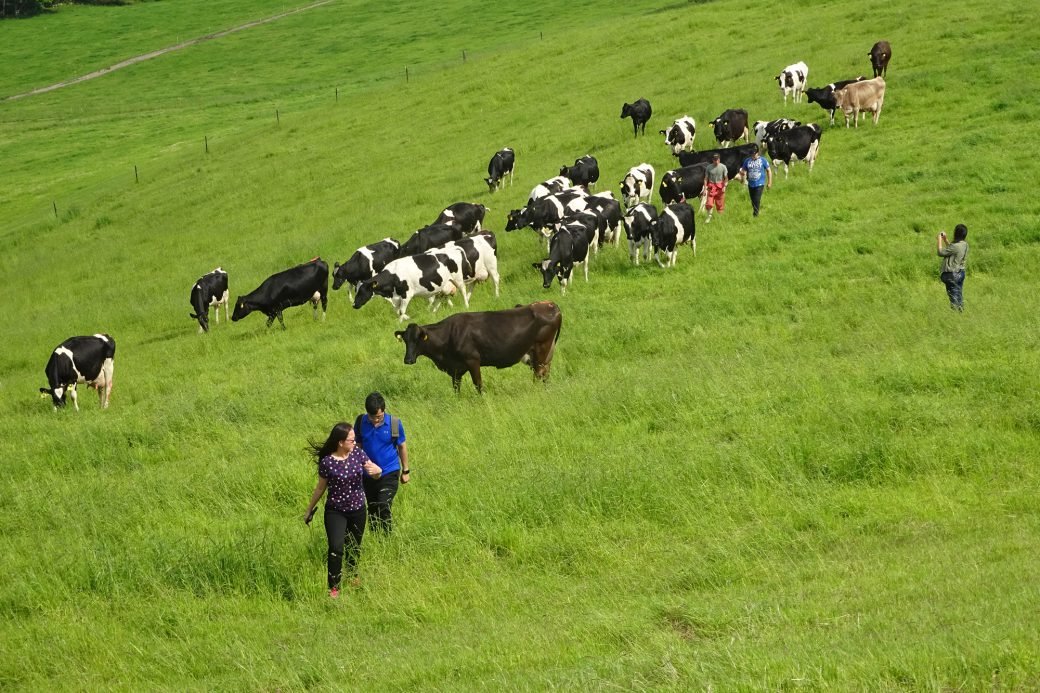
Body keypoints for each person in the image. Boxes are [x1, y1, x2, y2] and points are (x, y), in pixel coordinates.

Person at [304, 422, 382, 598]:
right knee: (336, 547)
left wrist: (378, 471)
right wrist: (309, 509)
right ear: (340, 442)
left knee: (354, 546)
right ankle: (334, 587)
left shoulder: (358, 454)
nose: (355, 442)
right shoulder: (327, 462)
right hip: (335, 511)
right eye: (351, 440)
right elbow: (320, 488)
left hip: (358, 510)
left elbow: (374, 472)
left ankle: (353, 575)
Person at [355, 392, 410, 533]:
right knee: (372, 508)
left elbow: (402, 446)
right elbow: (358, 446)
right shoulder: (361, 422)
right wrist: (357, 468)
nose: (375, 420)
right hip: (368, 474)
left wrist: (405, 471)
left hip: (389, 471)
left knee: (383, 504)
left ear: (384, 411)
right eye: (372, 417)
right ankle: (376, 539)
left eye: (379, 417)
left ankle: (387, 536)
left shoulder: (394, 423)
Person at [937, 223, 969, 311]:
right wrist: (945, 240)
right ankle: (961, 312)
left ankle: (955, 314)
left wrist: (939, 239)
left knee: (953, 296)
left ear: (956, 233)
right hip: (961, 273)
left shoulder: (955, 246)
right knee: (959, 294)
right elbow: (953, 249)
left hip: (952, 275)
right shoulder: (965, 244)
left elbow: (940, 252)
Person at [739, 148, 773, 217]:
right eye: (752, 154)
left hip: (760, 183)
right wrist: (741, 172)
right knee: (753, 200)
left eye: (754, 154)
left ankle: (756, 214)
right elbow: (743, 170)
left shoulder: (763, 160)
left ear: (758, 153)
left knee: (756, 199)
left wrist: (769, 182)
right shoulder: (747, 161)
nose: (753, 155)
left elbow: (769, 170)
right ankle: (756, 211)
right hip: (751, 184)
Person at [704, 152, 729, 223]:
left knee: (720, 204)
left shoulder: (723, 167)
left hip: (720, 187)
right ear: (712, 160)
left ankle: (720, 219)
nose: (716, 161)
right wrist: (705, 188)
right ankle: (709, 217)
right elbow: (706, 178)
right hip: (711, 187)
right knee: (709, 203)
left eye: (717, 159)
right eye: (715, 160)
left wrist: (725, 186)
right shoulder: (709, 167)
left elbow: (726, 178)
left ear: (719, 159)